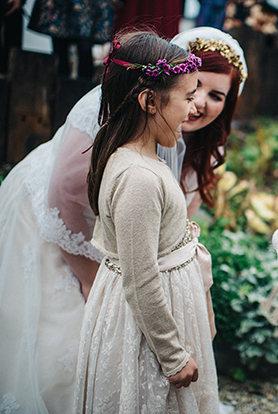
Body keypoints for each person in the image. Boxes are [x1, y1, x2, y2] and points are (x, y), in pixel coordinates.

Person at [0, 26, 246, 413]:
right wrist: (91, 279)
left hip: (126, 244)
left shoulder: (170, 129)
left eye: (215, 95)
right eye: (191, 91)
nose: (198, 104)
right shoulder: (133, 158)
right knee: (65, 342)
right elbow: (65, 195)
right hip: (57, 218)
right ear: (155, 93)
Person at [71, 30, 218, 412]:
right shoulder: (139, 177)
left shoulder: (143, 160)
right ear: (149, 101)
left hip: (163, 312)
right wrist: (172, 356)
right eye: (187, 97)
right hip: (148, 331)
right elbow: (140, 277)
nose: (192, 108)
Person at [27, 0, 115, 79]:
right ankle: (59, 91)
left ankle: (84, 92)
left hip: (88, 7)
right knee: (60, 51)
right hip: (62, 6)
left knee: (85, 50)